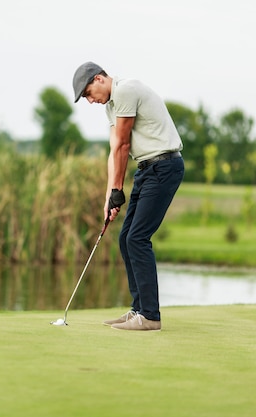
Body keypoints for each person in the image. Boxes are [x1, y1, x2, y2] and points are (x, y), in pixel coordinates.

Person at [72, 62, 184, 331]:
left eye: (88, 93)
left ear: (99, 79)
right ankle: (138, 310)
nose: (90, 101)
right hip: (148, 169)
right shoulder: (112, 105)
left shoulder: (126, 90)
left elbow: (123, 145)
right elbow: (114, 150)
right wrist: (110, 195)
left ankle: (150, 316)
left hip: (164, 165)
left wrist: (117, 190)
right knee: (125, 238)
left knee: (137, 237)